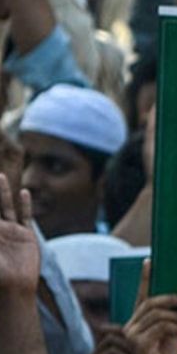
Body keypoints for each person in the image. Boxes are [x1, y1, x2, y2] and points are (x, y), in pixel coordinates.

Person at [19, 85, 130, 240]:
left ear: (103, 183)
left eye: (55, 167)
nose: (28, 181)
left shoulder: (121, 255)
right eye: (24, 162)